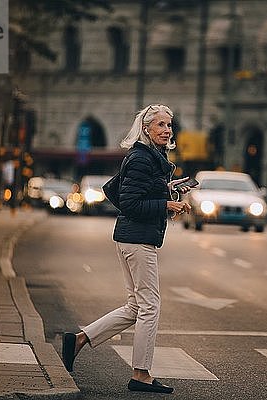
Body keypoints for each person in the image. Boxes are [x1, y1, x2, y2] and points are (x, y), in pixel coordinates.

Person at [61, 104, 192, 394]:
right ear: (146, 128)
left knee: (136, 306)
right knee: (150, 306)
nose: (167, 130)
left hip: (136, 237)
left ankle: (80, 339)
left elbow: (128, 191)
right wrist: (166, 204)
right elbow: (130, 203)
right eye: (160, 125)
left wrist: (170, 190)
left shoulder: (153, 157)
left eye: (169, 125)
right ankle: (141, 374)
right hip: (137, 240)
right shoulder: (141, 158)